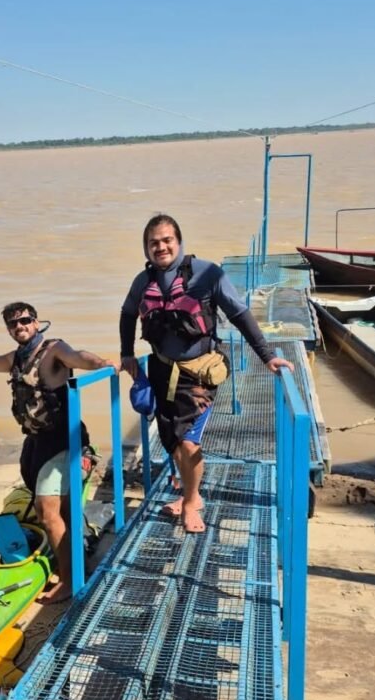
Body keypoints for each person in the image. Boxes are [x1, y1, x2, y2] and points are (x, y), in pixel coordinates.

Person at [120, 213, 294, 534]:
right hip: (161, 371)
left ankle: (188, 503)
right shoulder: (142, 283)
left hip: (199, 374)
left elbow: (240, 314)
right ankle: (193, 493)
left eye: (167, 240)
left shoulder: (207, 274)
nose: (161, 247)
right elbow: (128, 314)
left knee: (189, 442)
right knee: (173, 441)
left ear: (180, 241)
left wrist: (267, 356)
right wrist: (127, 353)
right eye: (153, 243)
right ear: (146, 249)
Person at [0, 303, 119, 605]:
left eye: (25, 320)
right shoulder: (17, 358)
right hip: (36, 443)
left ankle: (68, 582)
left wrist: (104, 362)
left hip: (64, 440)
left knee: (46, 512)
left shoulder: (54, 349)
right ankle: (78, 564)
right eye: (13, 324)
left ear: (36, 322)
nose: (20, 327)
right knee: (62, 511)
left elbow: (79, 357)